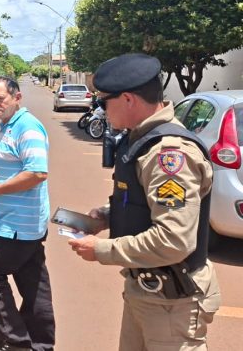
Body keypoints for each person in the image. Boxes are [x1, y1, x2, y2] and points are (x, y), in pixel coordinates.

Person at [68, 53, 220, 350]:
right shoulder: (141, 140)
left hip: (173, 303)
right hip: (148, 292)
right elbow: (147, 205)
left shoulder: (168, 156)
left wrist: (101, 250)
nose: (99, 109)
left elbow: (173, 240)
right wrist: (108, 216)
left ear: (127, 99)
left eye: (102, 102)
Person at [0, 76, 55, 351]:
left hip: (18, 224)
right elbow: (16, 167)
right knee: (33, 282)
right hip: (24, 224)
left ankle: (15, 342)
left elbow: (37, 172)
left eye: (0, 99)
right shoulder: (9, 125)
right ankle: (40, 343)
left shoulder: (27, 127)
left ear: (17, 98)